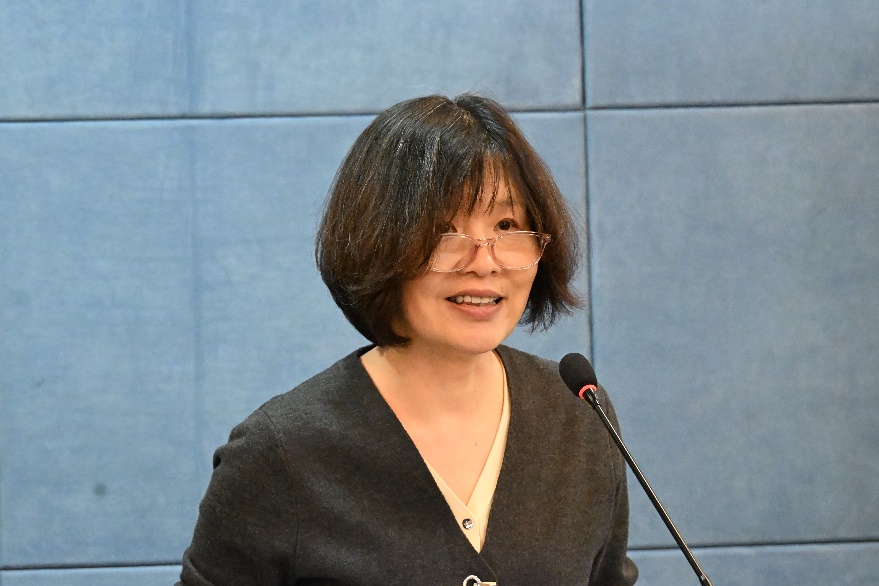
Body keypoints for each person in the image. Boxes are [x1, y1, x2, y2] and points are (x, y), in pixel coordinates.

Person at [178, 94, 638, 585]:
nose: (484, 262)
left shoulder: (579, 416)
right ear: (379, 243)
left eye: (507, 225)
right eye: (444, 230)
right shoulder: (279, 454)